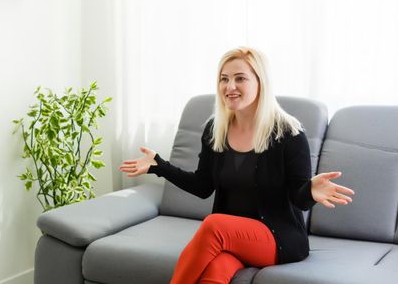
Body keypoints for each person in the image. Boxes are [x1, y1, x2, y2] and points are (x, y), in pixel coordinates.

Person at [118, 47, 355, 284]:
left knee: (214, 225)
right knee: (214, 274)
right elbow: (203, 186)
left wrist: (311, 190)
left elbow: (299, 199)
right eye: (224, 79)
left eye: (240, 78)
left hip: (277, 237)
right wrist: (159, 166)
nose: (230, 87)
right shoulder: (216, 129)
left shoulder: (289, 133)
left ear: (261, 82)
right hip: (231, 239)